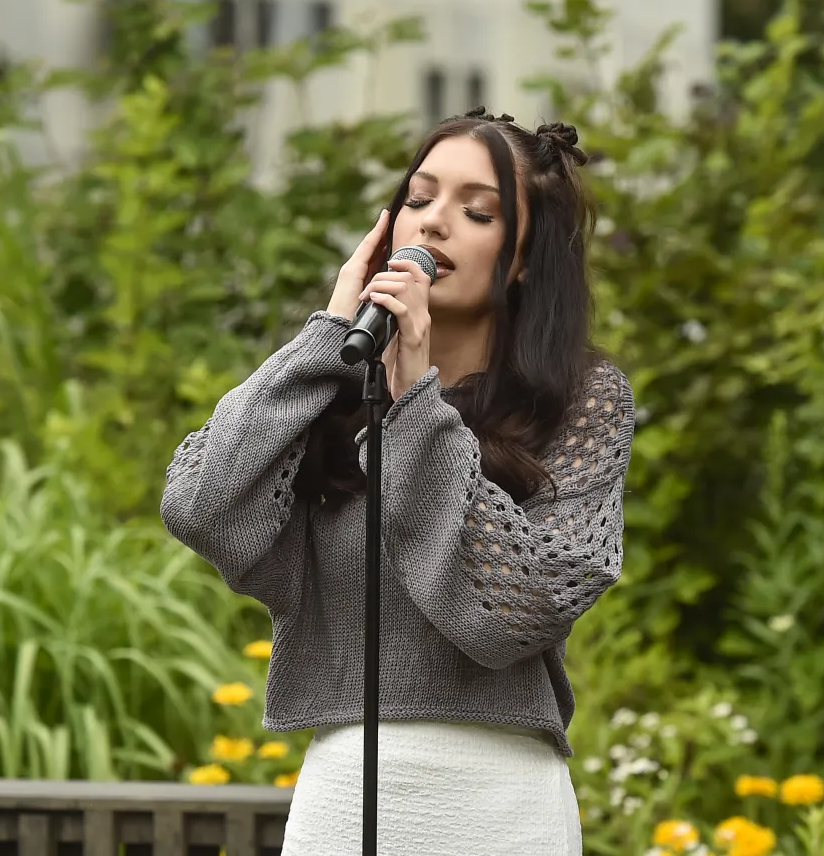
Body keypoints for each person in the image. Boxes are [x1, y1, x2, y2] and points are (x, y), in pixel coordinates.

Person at [160, 106, 635, 855]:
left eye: (477, 211)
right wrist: (329, 331)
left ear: (522, 258)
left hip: (504, 806)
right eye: (418, 199)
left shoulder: (583, 399)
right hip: (345, 795)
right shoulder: (331, 385)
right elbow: (201, 506)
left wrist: (416, 404)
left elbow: (518, 614)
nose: (434, 223)